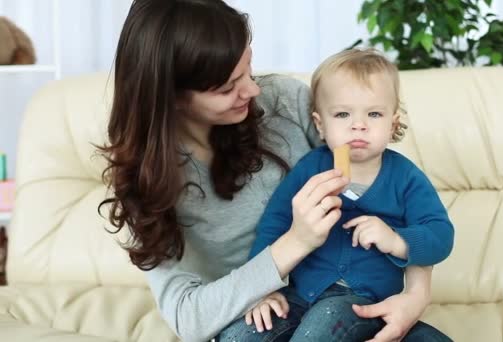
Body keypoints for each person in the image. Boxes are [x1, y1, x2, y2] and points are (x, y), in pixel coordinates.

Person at [99, 1, 451, 341]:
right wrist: (292, 246)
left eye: (248, 69)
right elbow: (188, 317)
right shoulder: (147, 182)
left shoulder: (285, 102)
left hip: (357, 301)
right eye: (227, 88)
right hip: (269, 313)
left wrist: (416, 295)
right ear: (171, 97)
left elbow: (388, 190)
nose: (253, 90)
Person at [218, 49, 454, 341]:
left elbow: (441, 235)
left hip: (362, 302)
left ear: (392, 123)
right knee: (239, 334)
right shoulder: (310, 169)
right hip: (298, 296)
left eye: (374, 114)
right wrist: (262, 292)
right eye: (342, 114)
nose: (358, 124)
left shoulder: (406, 178)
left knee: (323, 325)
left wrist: (397, 240)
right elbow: (274, 225)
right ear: (320, 124)